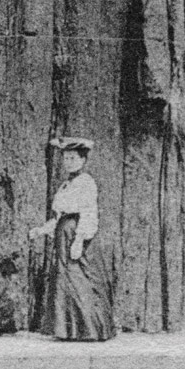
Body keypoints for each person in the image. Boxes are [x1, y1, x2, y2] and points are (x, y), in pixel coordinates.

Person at [30, 135, 115, 342]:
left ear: (83, 160)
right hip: (63, 233)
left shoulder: (86, 182)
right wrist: (42, 230)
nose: (69, 162)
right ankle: (68, 330)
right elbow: (59, 216)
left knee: (80, 279)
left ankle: (90, 329)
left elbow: (88, 212)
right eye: (66, 158)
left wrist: (79, 240)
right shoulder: (66, 185)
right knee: (64, 279)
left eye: (73, 158)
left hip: (76, 235)